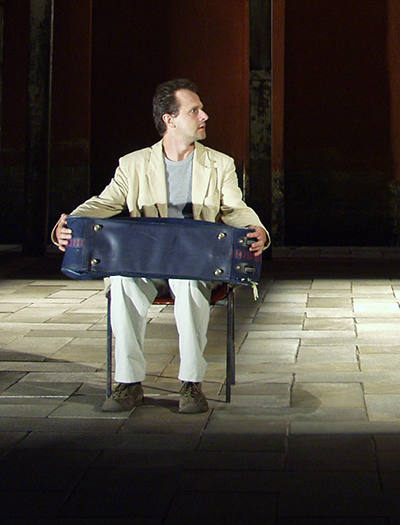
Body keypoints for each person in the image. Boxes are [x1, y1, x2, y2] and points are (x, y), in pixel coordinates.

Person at [52, 79, 268, 413]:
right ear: (170, 119)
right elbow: (105, 202)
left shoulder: (219, 164)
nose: (204, 116)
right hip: (146, 261)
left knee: (189, 282)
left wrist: (257, 229)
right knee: (122, 281)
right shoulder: (133, 164)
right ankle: (128, 383)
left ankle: (191, 384)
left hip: (195, 261)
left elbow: (234, 207)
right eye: (194, 110)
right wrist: (69, 222)